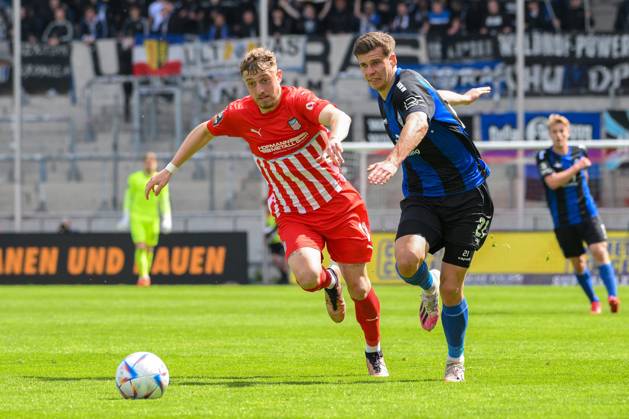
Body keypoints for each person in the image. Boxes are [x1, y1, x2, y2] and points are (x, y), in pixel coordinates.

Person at [145, 47, 388, 377]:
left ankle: (373, 352)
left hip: (338, 205)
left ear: (279, 77)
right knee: (306, 277)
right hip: (293, 213)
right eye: (251, 83)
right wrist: (169, 170)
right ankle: (331, 279)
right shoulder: (240, 113)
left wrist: (335, 137)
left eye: (264, 80)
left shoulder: (298, 101)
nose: (260, 90)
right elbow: (204, 130)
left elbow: (338, 116)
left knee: (359, 287)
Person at [353, 32, 493, 382]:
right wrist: (461, 99)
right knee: (406, 260)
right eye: (364, 66)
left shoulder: (404, 87)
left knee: (452, 289)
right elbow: (433, 96)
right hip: (424, 197)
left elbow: (419, 120)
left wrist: (393, 160)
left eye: (376, 63)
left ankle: (455, 359)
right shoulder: (390, 92)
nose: (370, 71)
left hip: (468, 199)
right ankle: (426, 286)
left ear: (393, 61)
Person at [536, 114, 620, 314]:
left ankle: (612, 296)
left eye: (561, 131)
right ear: (550, 134)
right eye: (554, 132)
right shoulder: (544, 157)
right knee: (579, 262)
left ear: (568, 132)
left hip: (587, 212)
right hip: (563, 219)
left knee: (599, 250)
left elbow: (586, 176)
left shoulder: (580, 151)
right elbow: (552, 182)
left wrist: (579, 169)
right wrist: (576, 168)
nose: (558, 135)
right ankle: (594, 300)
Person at [118, 152, 172, 287]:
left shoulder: (161, 178)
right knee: (140, 246)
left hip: (153, 218)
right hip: (137, 216)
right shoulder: (134, 178)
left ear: (156, 162)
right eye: (147, 160)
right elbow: (128, 197)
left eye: (152, 160)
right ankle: (144, 276)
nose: (150, 162)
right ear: (144, 162)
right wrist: (126, 215)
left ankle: (144, 275)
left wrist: (166, 217)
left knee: (149, 249)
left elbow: (164, 200)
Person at [265, 198, 289, 284]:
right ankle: (283, 276)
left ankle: (285, 277)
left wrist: (270, 232)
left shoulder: (274, 215)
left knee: (281, 260)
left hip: (279, 241)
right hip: (272, 242)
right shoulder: (267, 217)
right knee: (276, 260)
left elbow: (276, 227)